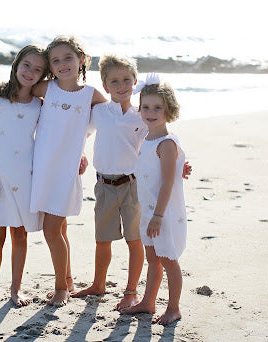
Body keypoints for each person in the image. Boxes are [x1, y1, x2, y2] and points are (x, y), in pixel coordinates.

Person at [0, 35, 106, 306]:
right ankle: (68, 279)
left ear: (81, 60)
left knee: (52, 231)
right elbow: (16, 90)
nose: (62, 64)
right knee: (58, 229)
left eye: (68, 58)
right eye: (56, 60)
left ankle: (61, 286)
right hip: (40, 171)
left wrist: (84, 147)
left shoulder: (90, 94)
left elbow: (108, 119)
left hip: (64, 171)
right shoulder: (45, 91)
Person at [72, 56, 191, 311]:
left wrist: (181, 165)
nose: (121, 85)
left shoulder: (141, 115)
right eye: (114, 81)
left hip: (135, 186)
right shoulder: (99, 112)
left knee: (135, 240)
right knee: (102, 239)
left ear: (135, 82)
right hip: (104, 184)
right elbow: (81, 132)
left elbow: (164, 146)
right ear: (105, 85)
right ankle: (98, 284)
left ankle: (130, 291)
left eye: (127, 80)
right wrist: (80, 155)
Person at [0, 44, 48, 307]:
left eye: (38, 69)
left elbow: (51, 136)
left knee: (20, 235)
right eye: (26, 65)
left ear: (43, 75)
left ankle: (16, 289)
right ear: (17, 63)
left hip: (25, 178)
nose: (30, 72)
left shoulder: (40, 105)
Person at [121, 75, 187, 325]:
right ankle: (148, 302)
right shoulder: (147, 139)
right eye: (146, 107)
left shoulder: (166, 143)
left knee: (168, 259)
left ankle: (173, 308)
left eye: (158, 107)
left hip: (163, 213)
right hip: (147, 210)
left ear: (169, 111)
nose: (151, 112)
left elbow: (168, 182)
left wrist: (159, 217)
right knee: (152, 259)